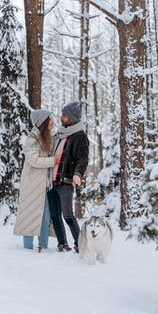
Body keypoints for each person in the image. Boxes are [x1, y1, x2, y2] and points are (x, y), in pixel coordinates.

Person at [13, 109, 61, 252]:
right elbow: (33, 160)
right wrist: (53, 161)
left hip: (43, 185)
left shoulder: (47, 138)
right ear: (43, 122)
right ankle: (27, 248)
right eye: (50, 118)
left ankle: (43, 246)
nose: (53, 120)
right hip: (32, 185)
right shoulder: (32, 140)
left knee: (45, 216)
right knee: (29, 214)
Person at [48, 101, 89, 253]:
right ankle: (62, 243)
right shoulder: (59, 134)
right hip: (51, 181)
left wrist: (77, 174)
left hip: (65, 181)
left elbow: (83, 159)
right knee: (55, 215)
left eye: (64, 115)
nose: (61, 117)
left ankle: (80, 244)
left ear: (71, 118)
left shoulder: (80, 136)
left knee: (68, 215)